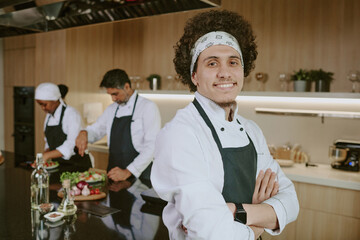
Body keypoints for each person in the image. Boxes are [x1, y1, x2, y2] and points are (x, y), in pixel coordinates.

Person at [151, 10, 299, 240]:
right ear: (194, 76)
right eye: (212, 63)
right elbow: (213, 233)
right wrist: (259, 216)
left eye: (233, 62)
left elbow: (291, 203)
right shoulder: (180, 135)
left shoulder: (251, 131)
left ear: (243, 70)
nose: (225, 73)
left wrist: (233, 210)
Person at [76, 69, 161, 185]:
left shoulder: (148, 107)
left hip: (140, 178)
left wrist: (128, 171)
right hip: (114, 176)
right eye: (110, 94)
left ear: (126, 87)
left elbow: (152, 147)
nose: (113, 99)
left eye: (115, 94)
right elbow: (96, 130)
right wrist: (84, 133)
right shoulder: (111, 109)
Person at [35, 82, 92, 170]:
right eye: (40, 104)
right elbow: (49, 142)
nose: (42, 108)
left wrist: (46, 155)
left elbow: (71, 144)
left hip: (77, 165)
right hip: (58, 165)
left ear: (54, 100)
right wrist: (43, 156)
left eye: (44, 104)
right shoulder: (49, 116)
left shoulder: (71, 114)